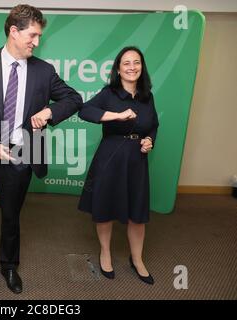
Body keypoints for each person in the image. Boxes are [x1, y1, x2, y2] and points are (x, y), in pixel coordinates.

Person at [0, 4, 82, 294]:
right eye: (32, 35)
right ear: (13, 31)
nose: (37, 41)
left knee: (11, 214)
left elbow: (74, 98)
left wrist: (49, 113)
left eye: (39, 36)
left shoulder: (44, 72)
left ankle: (9, 267)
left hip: (21, 154)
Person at [78, 46, 158, 285]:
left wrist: (149, 140)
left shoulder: (147, 96)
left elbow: (153, 124)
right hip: (110, 158)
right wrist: (117, 115)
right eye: (126, 63)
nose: (132, 67)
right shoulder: (108, 93)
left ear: (141, 67)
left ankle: (137, 259)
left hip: (137, 161)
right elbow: (85, 111)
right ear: (118, 68)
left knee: (138, 214)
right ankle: (105, 252)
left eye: (136, 62)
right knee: (105, 209)